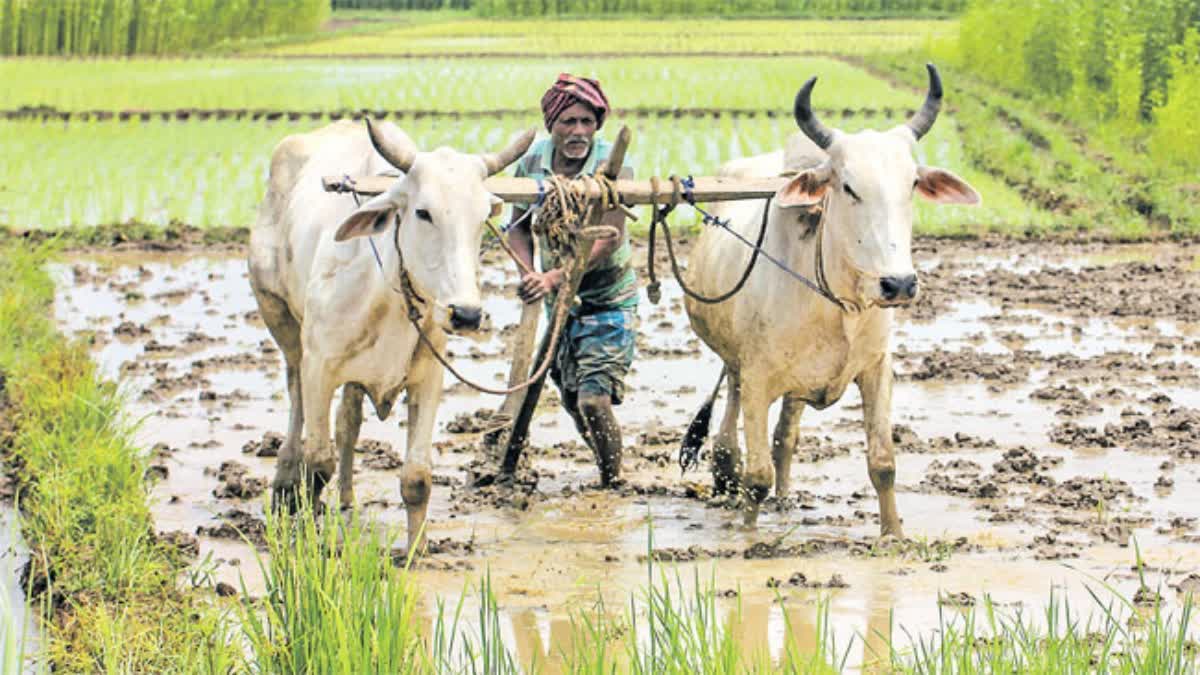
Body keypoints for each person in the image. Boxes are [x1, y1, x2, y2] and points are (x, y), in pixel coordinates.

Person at [506, 73, 636, 488]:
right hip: (558, 302)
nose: (578, 131)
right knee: (572, 400)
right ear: (552, 125)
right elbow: (518, 228)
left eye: (586, 122)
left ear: (597, 124)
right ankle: (606, 464)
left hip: (608, 301)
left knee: (594, 399)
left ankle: (614, 483)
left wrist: (555, 276)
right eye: (569, 122)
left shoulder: (613, 166)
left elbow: (609, 237)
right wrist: (531, 274)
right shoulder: (531, 164)